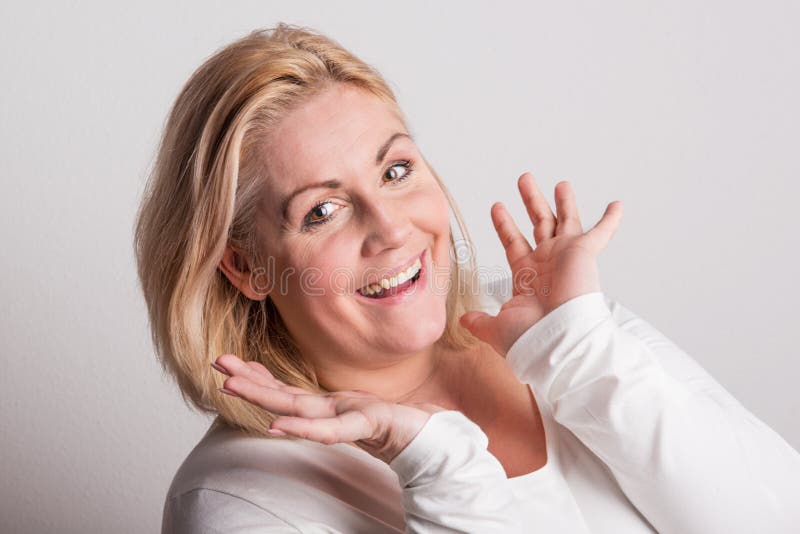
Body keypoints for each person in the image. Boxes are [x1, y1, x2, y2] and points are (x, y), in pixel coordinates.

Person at [134, 23, 800, 533]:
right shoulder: (241, 499)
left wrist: (584, 353)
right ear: (245, 265)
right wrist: (434, 463)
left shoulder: (564, 338)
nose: (392, 228)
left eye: (395, 170)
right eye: (322, 211)